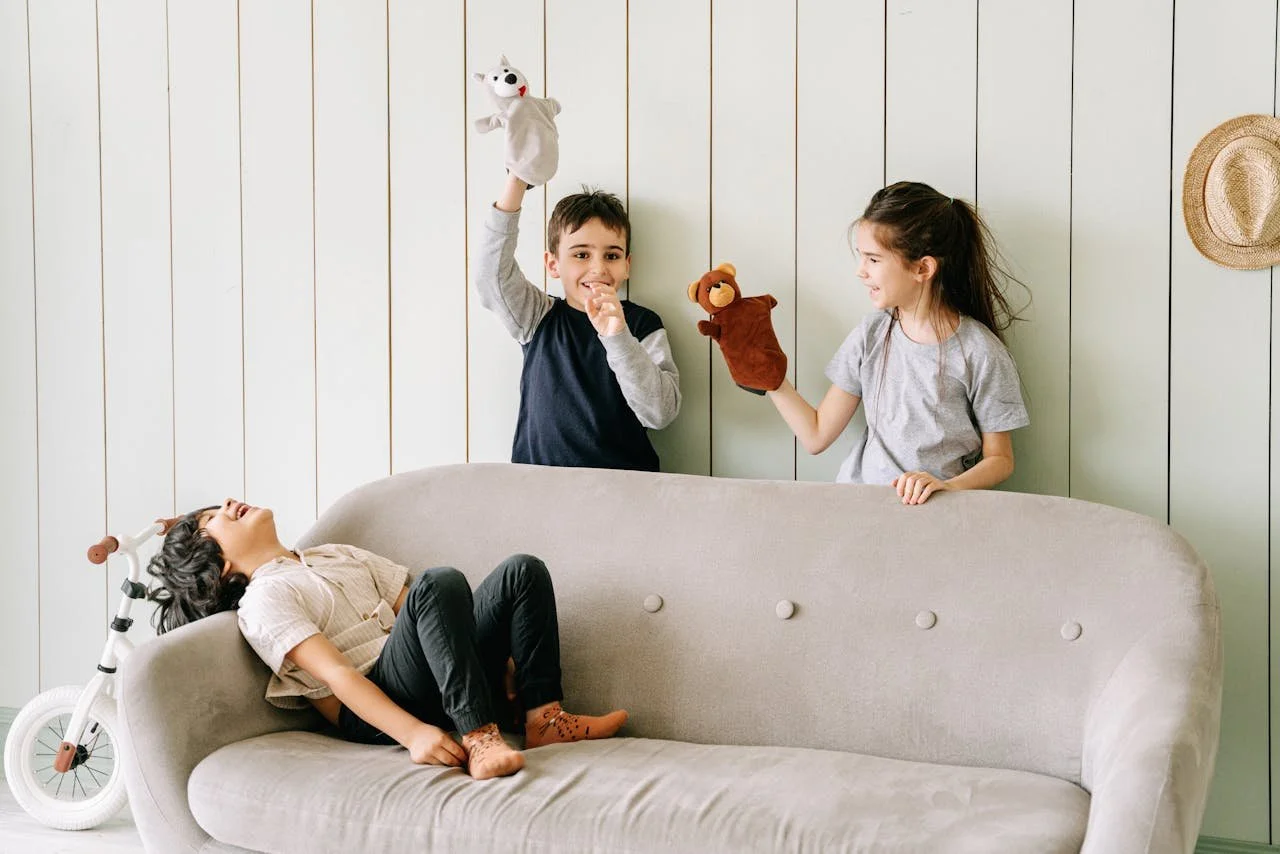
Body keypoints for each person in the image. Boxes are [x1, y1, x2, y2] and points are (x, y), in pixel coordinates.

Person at [145, 498, 628, 780]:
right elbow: (335, 676)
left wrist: (495, 660)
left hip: (430, 674)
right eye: (216, 518)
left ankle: (545, 716)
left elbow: (421, 612)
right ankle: (480, 738)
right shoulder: (263, 602)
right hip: (376, 700)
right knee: (438, 581)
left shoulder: (333, 554)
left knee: (521, 572)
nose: (231, 504)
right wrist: (412, 735)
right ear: (221, 567)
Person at [768, 181, 1030, 505]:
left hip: (934, 515)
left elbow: (1000, 460)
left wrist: (947, 487)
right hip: (861, 506)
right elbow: (817, 435)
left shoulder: (981, 351)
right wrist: (772, 381)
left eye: (873, 260)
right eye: (860, 257)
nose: (860, 271)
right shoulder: (871, 335)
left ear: (923, 268)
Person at [474, 173, 681, 471]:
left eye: (611, 255)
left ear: (627, 266)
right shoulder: (537, 316)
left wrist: (618, 336)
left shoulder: (642, 324)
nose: (597, 268)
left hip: (624, 493)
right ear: (553, 264)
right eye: (581, 254)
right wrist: (518, 180)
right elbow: (489, 275)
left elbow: (661, 413)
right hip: (541, 490)